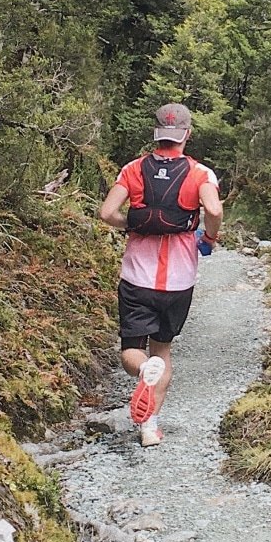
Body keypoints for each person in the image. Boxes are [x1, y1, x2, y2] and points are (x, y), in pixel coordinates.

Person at [98, 101, 222, 447]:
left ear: (157, 133)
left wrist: (130, 224)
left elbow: (107, 212)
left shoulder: (133, 169)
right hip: (179, 282)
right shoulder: (201, 173)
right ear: (187, 134)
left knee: (133, 349)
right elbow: (213, 208)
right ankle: (149, 427)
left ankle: (141, 370)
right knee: (163, 350)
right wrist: (209, 237)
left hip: (137, 278)